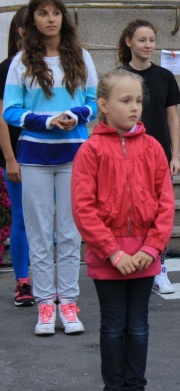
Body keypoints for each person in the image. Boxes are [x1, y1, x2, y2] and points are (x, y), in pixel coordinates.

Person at [71, 69, 175, 391]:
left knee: (139, 326)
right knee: (114, 326)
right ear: (103, 105)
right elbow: (83, 208)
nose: (134, 107)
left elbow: (166, 203)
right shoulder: (91, 150)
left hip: (144, 255)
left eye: (139, 101)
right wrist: (112, 251)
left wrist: (150, 248)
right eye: (125, 100)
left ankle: (136, 390)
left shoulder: (153, 148)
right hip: (108, 257)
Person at [2, 0, 97, 335]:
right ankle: (45, 304)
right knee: (40, 233)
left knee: (70, 233)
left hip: (75, 156)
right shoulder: (21, 61)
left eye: (55, 12)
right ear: (33, 21)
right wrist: (46, 121)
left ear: (63, 18)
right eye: (43, 13)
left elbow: (94, 103)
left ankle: (68, 302)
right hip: (34, 158)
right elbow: (10, 111)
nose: (50, 18)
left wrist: (75, 115)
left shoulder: (82, 57)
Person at [117, 19, 180, 294]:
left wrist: (175, 156)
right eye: (142, 40)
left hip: (159, 157)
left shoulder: (165, 76)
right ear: (129, 42)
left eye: (152, 40)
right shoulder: (120, 77)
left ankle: (159, 267)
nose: (148, 45)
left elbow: (173, 119)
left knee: (159, 214)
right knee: (130, 212)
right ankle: (130, 262)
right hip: (127, 157)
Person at [0, 6, 32, 307]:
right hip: (17, 156)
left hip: (49, 154)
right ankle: (23, 281)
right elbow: (1, 117)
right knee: (22, 218)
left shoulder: (53, 64)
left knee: (49, 221)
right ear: (23, 31)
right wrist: (10, 158)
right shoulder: (7, 67)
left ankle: (48, 279)